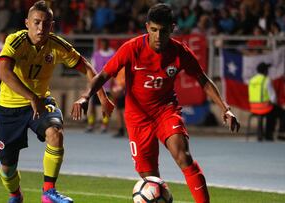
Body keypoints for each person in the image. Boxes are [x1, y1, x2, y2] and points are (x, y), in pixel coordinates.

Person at [71, 3, 240, 203]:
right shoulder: (132, 48)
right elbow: (103, 75)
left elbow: (203, 79)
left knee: (183, 156)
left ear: (172, 28)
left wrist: (225, 109)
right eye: (154, 30)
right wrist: (85, 96)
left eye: (163, 31)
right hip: (137, 118)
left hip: (165, 111)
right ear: (147, 27)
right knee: (151, 180)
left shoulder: (179, 52)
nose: (158, 36)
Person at [0, 1, 113, 203]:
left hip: (42, 101)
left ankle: (48, 191)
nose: (41, 28)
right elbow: (4, 72)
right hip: (10, 107)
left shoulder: (57, 45)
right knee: (7, 167)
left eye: (46, 23)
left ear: (52, 25)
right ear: (27, 23)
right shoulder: (15, 41)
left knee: (55, 134)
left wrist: (102, 97)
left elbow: (86, 66)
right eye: (37, 22)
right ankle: (15, 194)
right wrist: (31, 97)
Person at [248, 62, 285, 141]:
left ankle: (265, 134)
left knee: (272, 110)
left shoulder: (252, 80)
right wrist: (272, 102)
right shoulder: (266, 80)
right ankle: (278, 134)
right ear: (265, 71)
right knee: (281, 112)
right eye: (267, 70)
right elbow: (273, 97)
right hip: (264, 108)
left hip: (253, 107)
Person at [86, 38, 115, 133]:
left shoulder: (113, 54)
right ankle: (91, 125)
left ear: (107, 45)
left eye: (105, 44)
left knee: (105, 107)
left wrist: (113, 83)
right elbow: (92, 70)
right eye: (101, 44)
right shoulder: (96, 55)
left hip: (108, 86)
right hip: (97, 85)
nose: (103, 46)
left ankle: (104, 126)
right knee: (93, 106)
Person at [110, 68, 126, 138]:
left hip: (124, 91)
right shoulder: (116, 68)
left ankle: (127, 130)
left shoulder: (126, 68)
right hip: (117, 91)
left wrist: (122, 89)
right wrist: (112, 90)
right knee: (119, 110)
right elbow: (112, 79)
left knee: (124, 111)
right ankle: (120, 129)